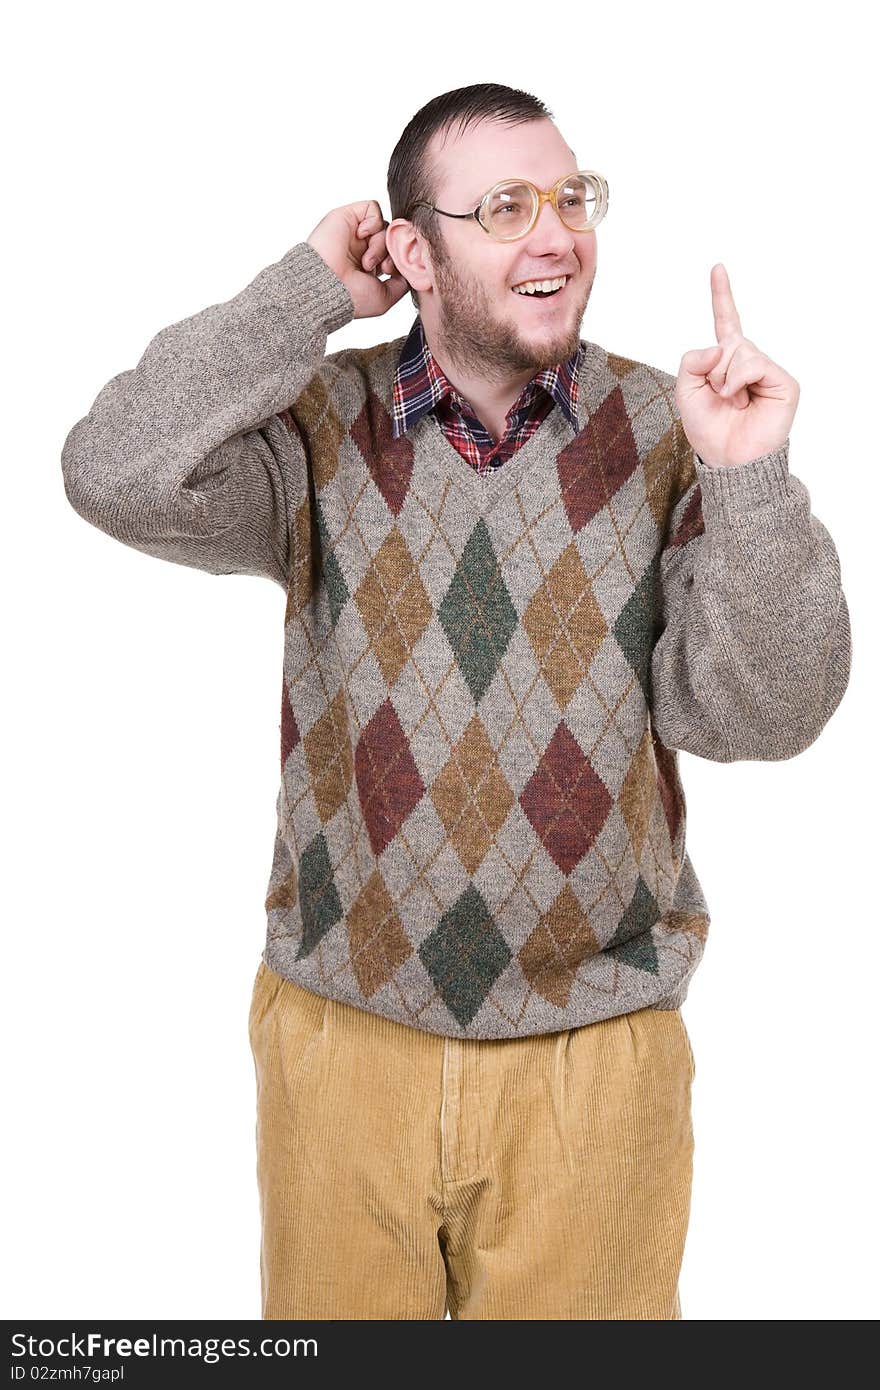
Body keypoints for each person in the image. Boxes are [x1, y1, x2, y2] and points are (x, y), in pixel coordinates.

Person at [60, 82, 852, 1320]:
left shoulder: (667, 430)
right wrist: (304, 294)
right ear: (413, 253)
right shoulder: (320, 427)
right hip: (341, 1048)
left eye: (568, 197)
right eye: (503, 207)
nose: (553, 233)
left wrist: (749, 484)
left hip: (594, 1062)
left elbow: (764, 715)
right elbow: (113, 471)